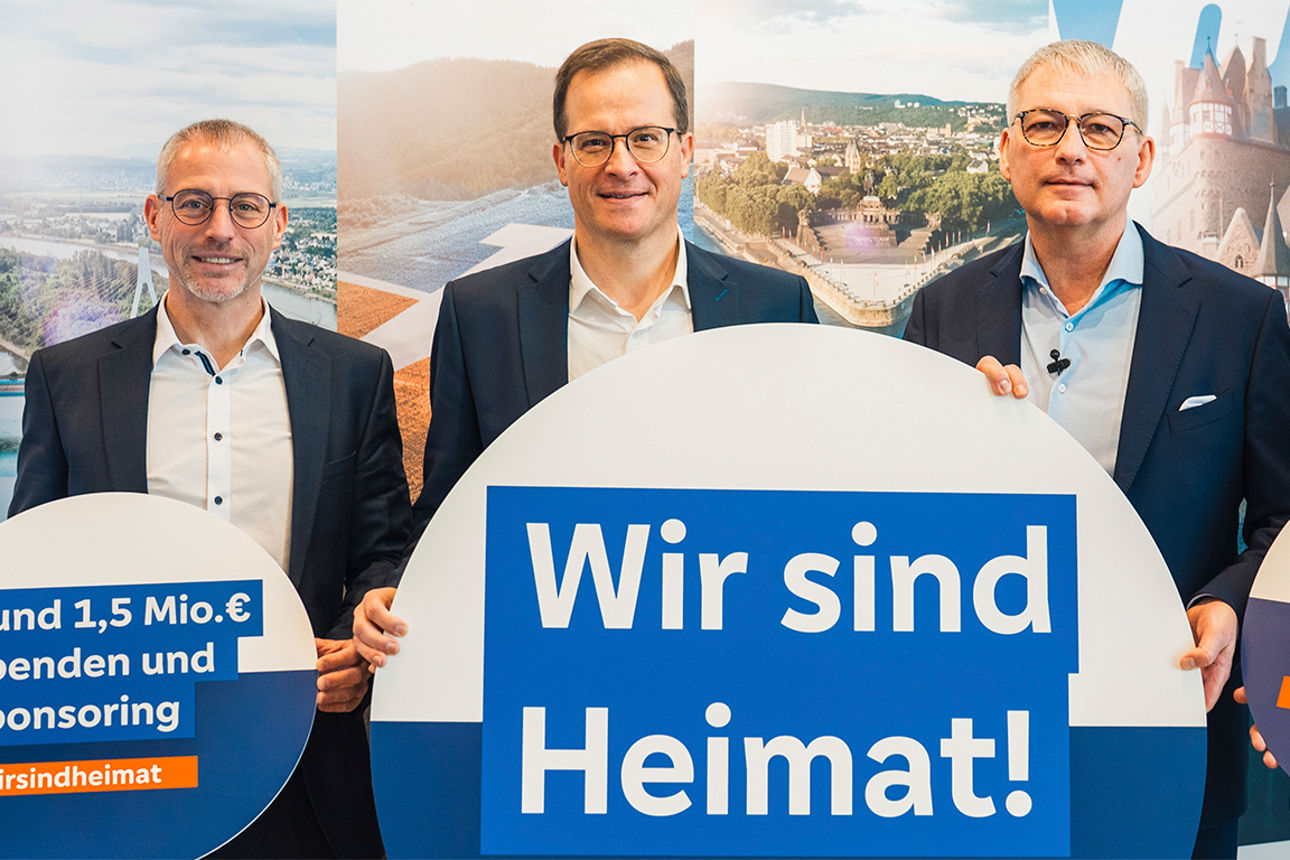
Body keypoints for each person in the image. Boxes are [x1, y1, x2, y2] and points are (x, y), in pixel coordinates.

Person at [903, 40, 1290, 858]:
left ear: (1144, 157)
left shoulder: (1240, 317)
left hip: (1171, 725)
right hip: (969, 747)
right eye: (1044, 124)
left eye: (1101, 128)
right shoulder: (941, 314)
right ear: (1007, 153)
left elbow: (1285, 521)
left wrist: (1228, 602)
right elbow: (894, 514)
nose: (1071, 148)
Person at [9, 119, 411, 858]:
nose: (220, 229)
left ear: (280, 224)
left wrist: (361, 636)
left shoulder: (354, 376)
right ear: (154, 216)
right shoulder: (68, 378)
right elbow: (30, 577)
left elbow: (383, 552)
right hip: (123, 771)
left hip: (307, 771)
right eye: (193, 204)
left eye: (245, 206)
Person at [353, 38, 818, 665]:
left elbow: (817, 495)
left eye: (645, 138)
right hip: (547, 665)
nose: (620, 164)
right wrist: (393, 593)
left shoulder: (776, 304)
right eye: (593, 142)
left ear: (685, 152)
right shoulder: (479, 314)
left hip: (735, 657)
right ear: (561, 160)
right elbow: (449, 508)